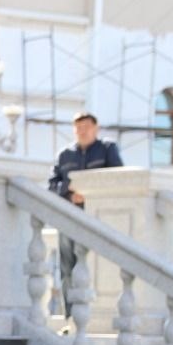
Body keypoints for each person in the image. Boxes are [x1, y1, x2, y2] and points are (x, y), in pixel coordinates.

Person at [47, 111, 122, 315]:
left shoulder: (107, 149)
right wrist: (70, 193)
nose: (82, 132)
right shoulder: (65, 155)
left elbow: (119, 180)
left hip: (99, 219)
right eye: (78, 128)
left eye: (86, 127)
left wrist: (91, 196)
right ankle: (70, 315)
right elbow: (52, 186)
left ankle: (99, 313)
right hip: (70, 218)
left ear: (95, 128)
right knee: (67, 267)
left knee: (99, 267)